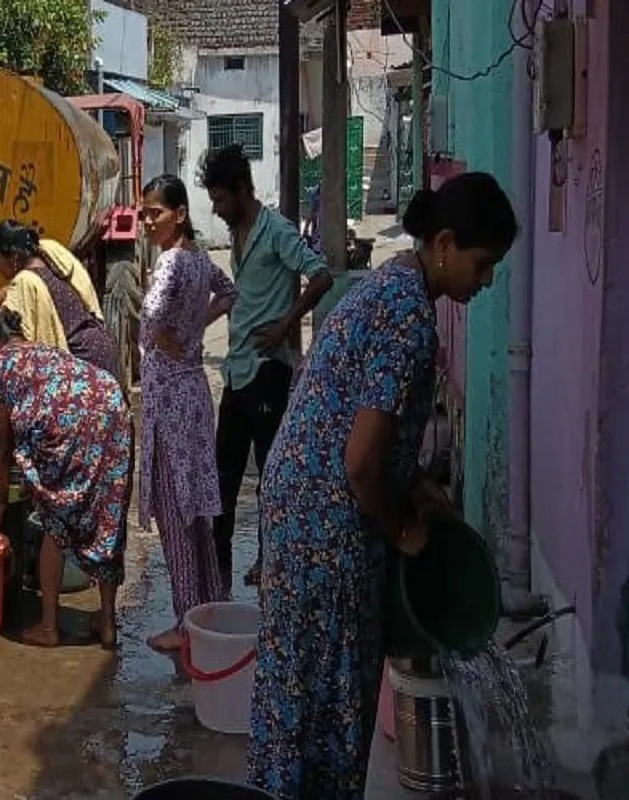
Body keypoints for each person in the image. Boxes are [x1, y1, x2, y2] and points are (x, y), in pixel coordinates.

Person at [247, 173, 517, 800]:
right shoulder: (410, 319)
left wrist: (416, 485)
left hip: (296, 513)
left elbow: (359, 418)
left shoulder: (388, 283)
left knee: (292, 692)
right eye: (483, 263)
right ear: (444, 244)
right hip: (329, 529)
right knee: (330, 700)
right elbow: (362, 463)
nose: (487, 281)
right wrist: (403, 529)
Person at [199, 144, 333, 587]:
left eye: (221, 198)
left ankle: (269, 562)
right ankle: (219, 572)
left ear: (243, 189)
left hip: (268, 370)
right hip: (236, 370)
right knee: (223, 476)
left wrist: (285, 325)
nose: (217, 209)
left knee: (270, 477)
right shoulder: (238, 232)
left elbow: (321, 275)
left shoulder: (276, 230)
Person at [0, 309, 132, 649]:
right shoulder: (42, 348)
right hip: (111, 401)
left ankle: (48, 627)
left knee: (53, 518)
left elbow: (1, 440)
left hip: (69, 421)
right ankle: (107, 622)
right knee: (108, 516)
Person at [136, 176, 238, 653]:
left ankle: (186, 624)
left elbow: (149, 316)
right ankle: (210, 607)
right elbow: (229, 291)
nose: (147, 221)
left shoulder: (171, 261)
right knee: (197, 510)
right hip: (195, 396)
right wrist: (196, 325)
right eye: (144, 213)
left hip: (170, 403)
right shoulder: (199, 260)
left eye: (155, 213)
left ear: (179, 214)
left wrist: (161, 336)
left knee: (176, 514)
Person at [0, 221, 118, 384]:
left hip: (82, 365)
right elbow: (11, 288)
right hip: (102, 349)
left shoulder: (24, 284)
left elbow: (9, 352)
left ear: (14, 257)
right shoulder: (48, 256)